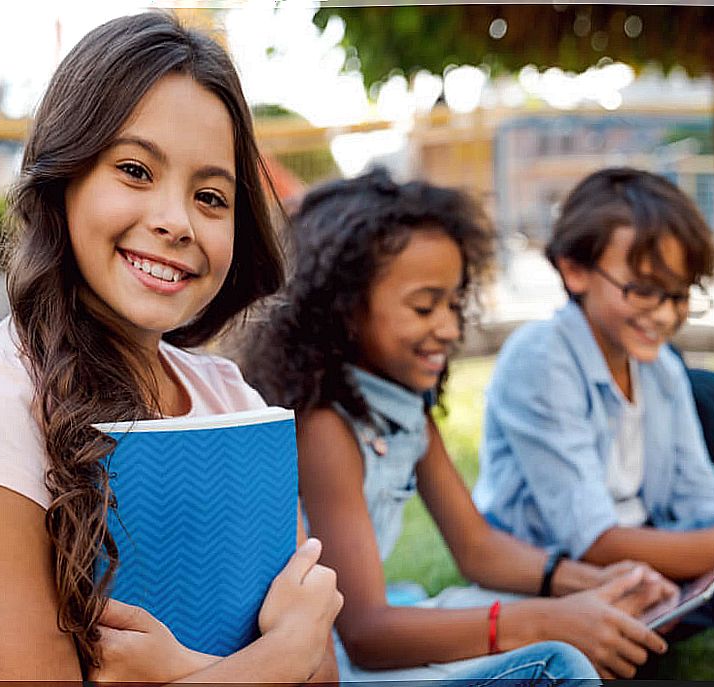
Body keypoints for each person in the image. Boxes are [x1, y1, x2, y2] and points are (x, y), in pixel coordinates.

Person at [0, 12, 342, 683]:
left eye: (210, 196)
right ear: (66, 176)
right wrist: (282, 653)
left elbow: (324, 677)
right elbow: (299, 657)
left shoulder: (233, 399)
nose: (175, 220)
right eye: (136, 169)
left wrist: (184, 670)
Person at [244, 168, 679, 682]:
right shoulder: (324, 428)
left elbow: (477, 548)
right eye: (425, 307)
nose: (449, 328)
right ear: (343, 310)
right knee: (558, 663)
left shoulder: (403, 408)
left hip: (371, 639)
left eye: (453, 303)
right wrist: (546, 622)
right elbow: (365, 632)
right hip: (328, 661)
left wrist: (596, 583)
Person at [473, 167, 714, 681]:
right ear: (575, 271)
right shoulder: (541, 358)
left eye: (679, 295)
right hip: (567, 586)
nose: (663, 315)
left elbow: (700, 504)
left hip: (652, 567)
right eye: (644, 290)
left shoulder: (658, 366)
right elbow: (592, 541)